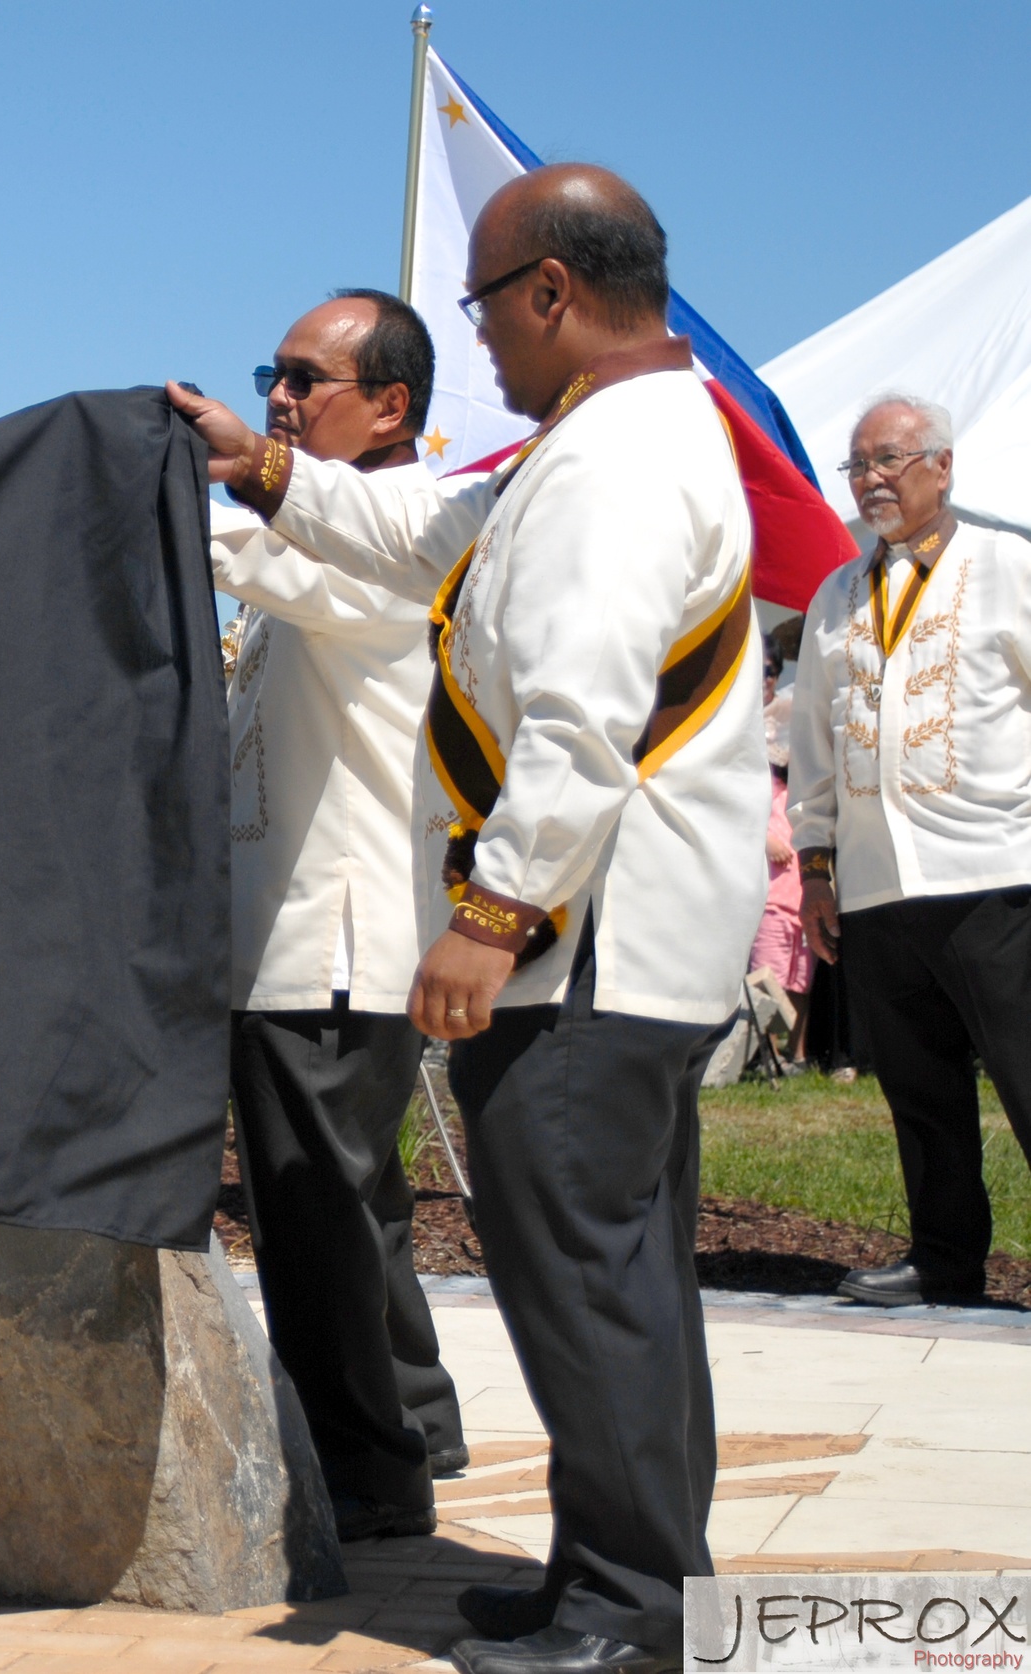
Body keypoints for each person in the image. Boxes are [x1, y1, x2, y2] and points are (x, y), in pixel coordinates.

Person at [172, 163, 766, 1674]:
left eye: (488, 306)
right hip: (601, 946)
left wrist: (494, 914)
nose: (480, 338)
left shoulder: (620, 462)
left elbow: (580, 721)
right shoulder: (586, 448)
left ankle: (634, 1616)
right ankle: (613, 1573)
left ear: (553, 292)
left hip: (587, 951)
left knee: (587, 1282)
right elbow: (433, 532)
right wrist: (265, 467)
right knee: (617, 1280)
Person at [212, 290, 467, 1543]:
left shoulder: (404, 529)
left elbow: (223, 547)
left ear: (390, 406)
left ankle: (364, 1471)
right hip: (303, 928)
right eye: (274, 371)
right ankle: (416, 1418)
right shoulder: (323, 535)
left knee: (312, 1216)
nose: (278, 396)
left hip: (338, 936)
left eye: (309, 380)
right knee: (357, 1208)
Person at [789, 394, 1031, 1307]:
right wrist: (815, 867)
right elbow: (812, 743)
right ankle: (945, 1258)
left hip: (995, 873)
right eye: (857, 466)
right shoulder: (837, 595)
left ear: (943, 465)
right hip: (879, 886)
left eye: (889, 459)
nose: (872, 480)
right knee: (920, 1092)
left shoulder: (1006, 566)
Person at [749, 648, 810, 1063]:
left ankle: (797, 1054)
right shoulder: (759, 783)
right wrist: (763, 841)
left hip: (803, 896)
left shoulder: (799, 787)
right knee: (767, 977)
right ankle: (767, 1055)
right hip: (771, 896)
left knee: (799, 981)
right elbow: (740, 821)